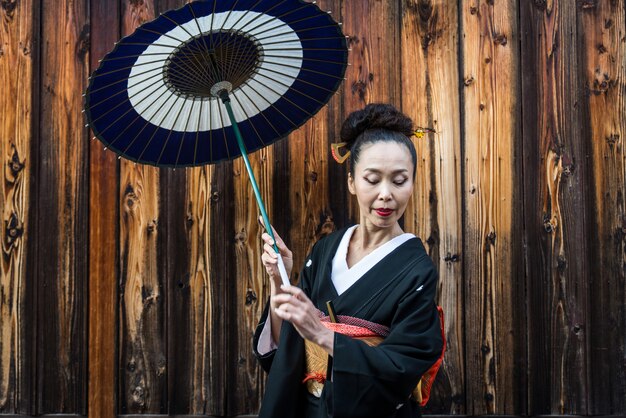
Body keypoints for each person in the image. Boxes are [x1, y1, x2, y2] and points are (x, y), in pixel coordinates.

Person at [253, 103, 444, 418]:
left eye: (399, 180)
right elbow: (285, 347)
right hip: (309, 408)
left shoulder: (417, 270)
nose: (386, 194)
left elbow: (403, 367)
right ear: (352, 182)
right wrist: (280, 279)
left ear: (412, 184)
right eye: (372, 179)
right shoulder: (325, 250)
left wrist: (323, 334)